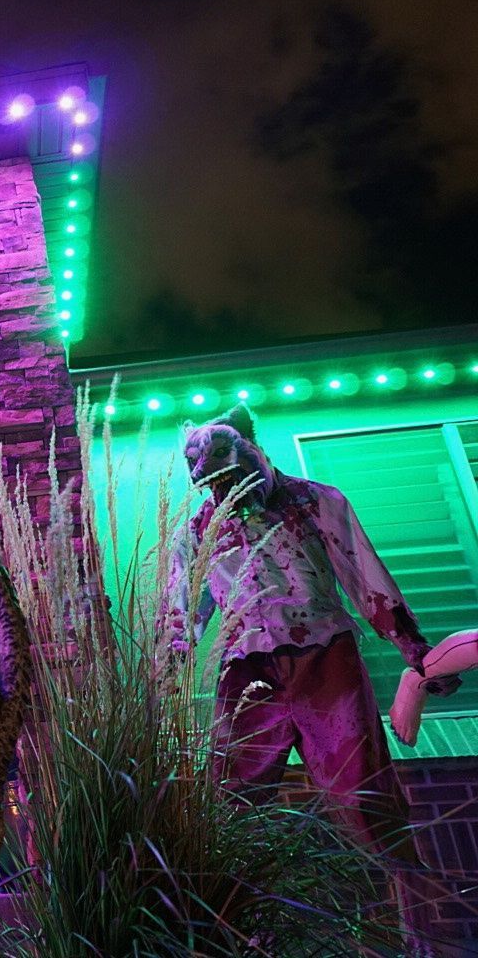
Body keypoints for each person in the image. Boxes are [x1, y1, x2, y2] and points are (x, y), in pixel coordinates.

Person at [167, 403, 457, 952]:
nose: (227, 492)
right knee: (233, 804)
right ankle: (233, 937)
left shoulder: (315, 500)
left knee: (363, 791)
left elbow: (361, 572)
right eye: (213, 483)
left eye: (233, 476)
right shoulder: (199, 530)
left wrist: (412, 647)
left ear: (254, 457)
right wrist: (167, 670)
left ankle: (414, 932)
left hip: (326, 659)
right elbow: (180, 614)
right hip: (246, 671)